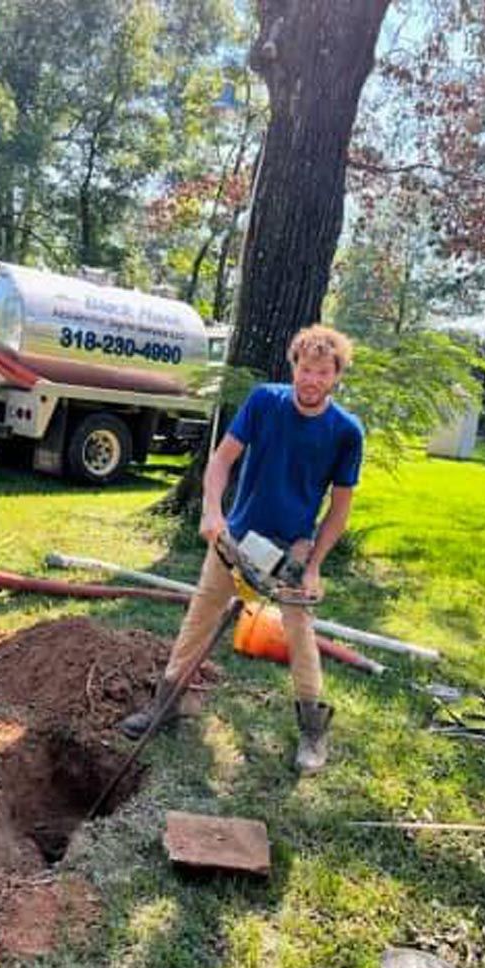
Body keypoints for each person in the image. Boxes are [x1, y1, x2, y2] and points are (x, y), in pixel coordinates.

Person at [121, 324, 364, 774]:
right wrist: (213, 514)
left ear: (336, 376)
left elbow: (339, 510)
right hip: (237, 537)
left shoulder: (346, 431)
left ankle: (313, 729)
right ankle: (166, 704)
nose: (311, 380)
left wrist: (312, 568)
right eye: (305, 370)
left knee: (299, 634)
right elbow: (221, 461)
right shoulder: (263, 402)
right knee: (200, 616)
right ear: (294, 367)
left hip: (292, 549)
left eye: (322, 373)